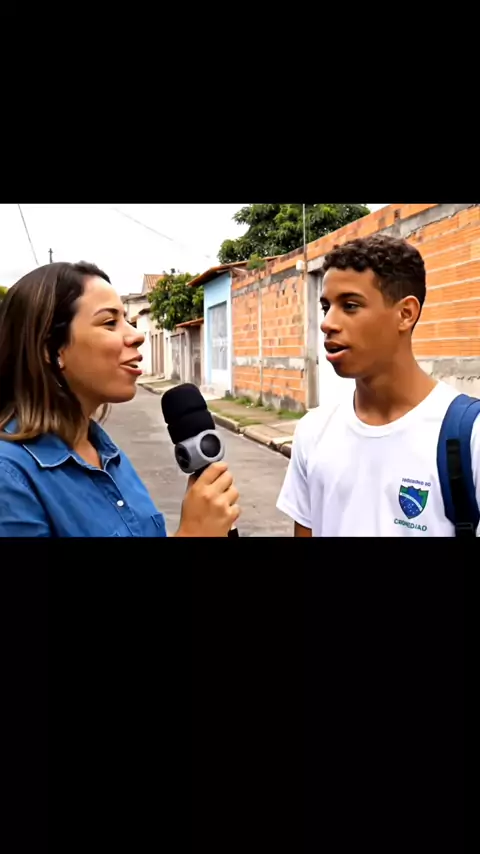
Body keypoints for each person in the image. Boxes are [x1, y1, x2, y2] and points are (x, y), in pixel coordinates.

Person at [0, 261, 240, 537]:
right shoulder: (9, 475)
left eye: (126, 319)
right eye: (109, 323)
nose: (136, 335)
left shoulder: (105, 452)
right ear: (51, 349)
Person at [276, 234, 480, 537]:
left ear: (405, 314)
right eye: (326, 307)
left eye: (350, 305)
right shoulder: (313, 431)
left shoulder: (469, 436)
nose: (327, 323)